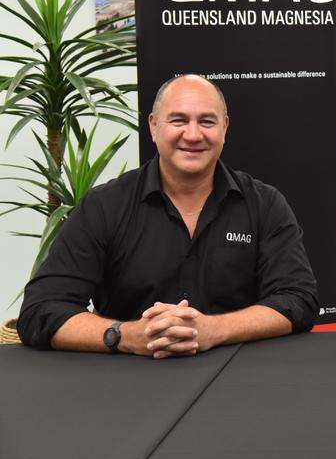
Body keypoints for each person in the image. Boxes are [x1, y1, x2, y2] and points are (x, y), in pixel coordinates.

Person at [18, 75, 319, 357]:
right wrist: (125, 335)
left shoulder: (264, 205)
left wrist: (215, 330)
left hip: (238, 378)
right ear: (153, 126)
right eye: (178, 120)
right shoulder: (104, 206)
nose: (192, 134)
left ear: (225, 128)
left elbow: (298, 300)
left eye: (207, 121)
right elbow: (41, 310)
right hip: (125, 379)